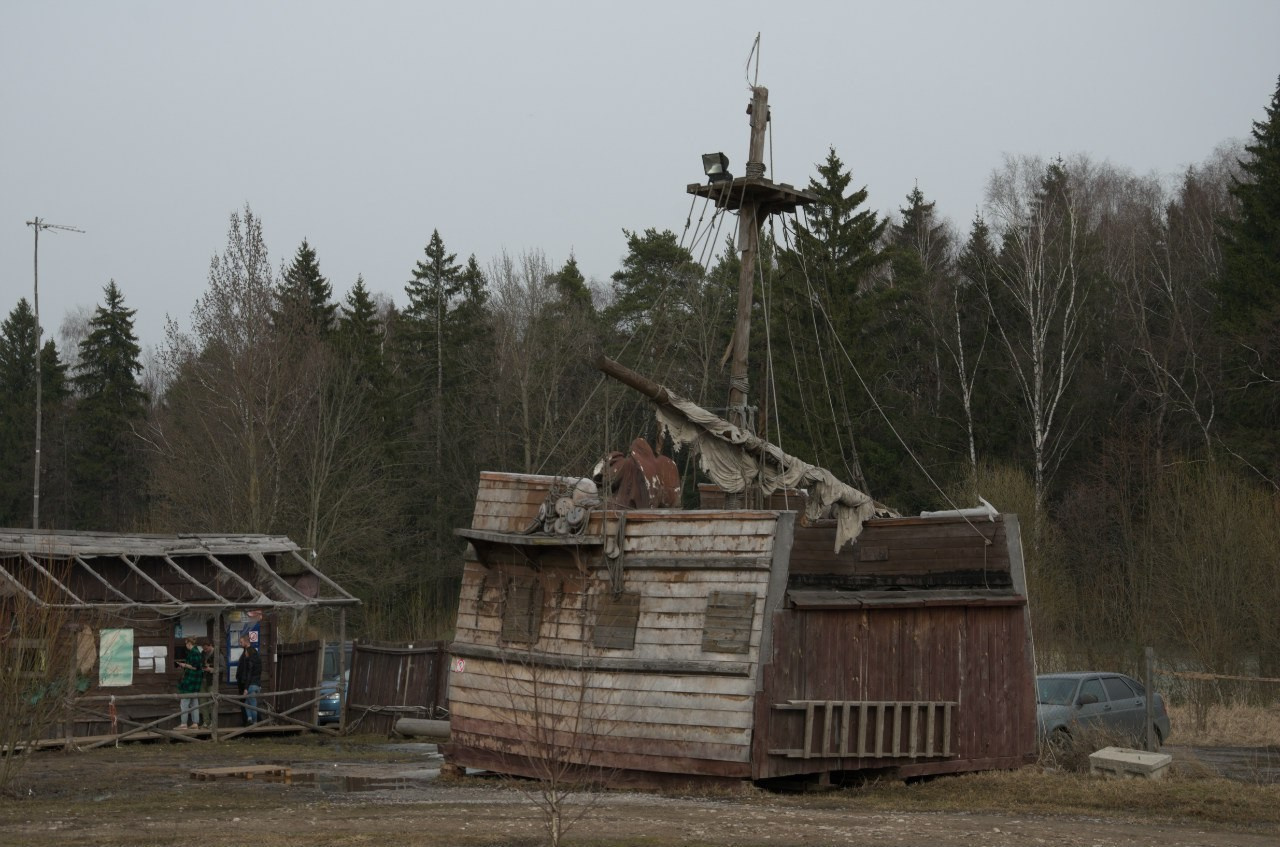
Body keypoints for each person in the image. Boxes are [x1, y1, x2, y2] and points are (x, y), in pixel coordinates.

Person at [175, 636, 204, 729]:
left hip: (191, 680)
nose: (185, 645)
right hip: (195, 681)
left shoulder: (194, 652)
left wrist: (184, 665)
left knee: (184, 702)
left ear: (189, 643)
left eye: (186, 643)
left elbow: (195, 667)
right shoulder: (196, 652)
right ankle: (195, 723)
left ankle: (183, 724)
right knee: (194, 702)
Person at [236, 634, 262, 725]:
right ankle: (250, 720)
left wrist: (246, 687)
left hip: (251, 683)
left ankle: (255, 722)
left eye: (241, 642)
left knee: (252, 704)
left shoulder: (250, 653)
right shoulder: (252, 653)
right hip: (253, 682)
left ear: (246, 642)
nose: (240, 643)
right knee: (247, 703)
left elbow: (249, 672)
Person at [199, 639, 217, 729]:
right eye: (203, 649)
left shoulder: (217, 654)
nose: (205, 650)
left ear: (210, 645)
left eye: (206, 649)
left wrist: (212, 670)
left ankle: (213, 723)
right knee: (202, 702)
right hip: (203, 679)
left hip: (212, 680)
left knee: (212, 702)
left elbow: (223, 668)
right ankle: (206, 722)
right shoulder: (202, 653)